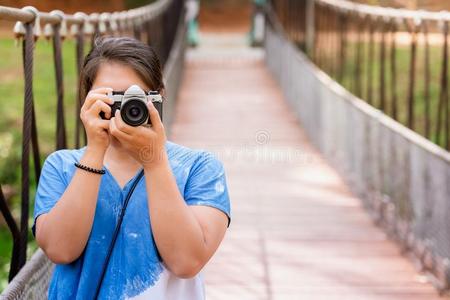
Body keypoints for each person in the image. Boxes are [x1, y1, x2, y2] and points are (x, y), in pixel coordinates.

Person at [32, 36, 231, 299]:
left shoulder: (200, 168)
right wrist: (94, 151)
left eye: (133, 97)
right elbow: (60, 250)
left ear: (159, 96)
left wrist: (155, 160)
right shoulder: (62, 166)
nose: (124, 108)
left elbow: (187, 262)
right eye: (111, 97)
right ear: (87, 99)